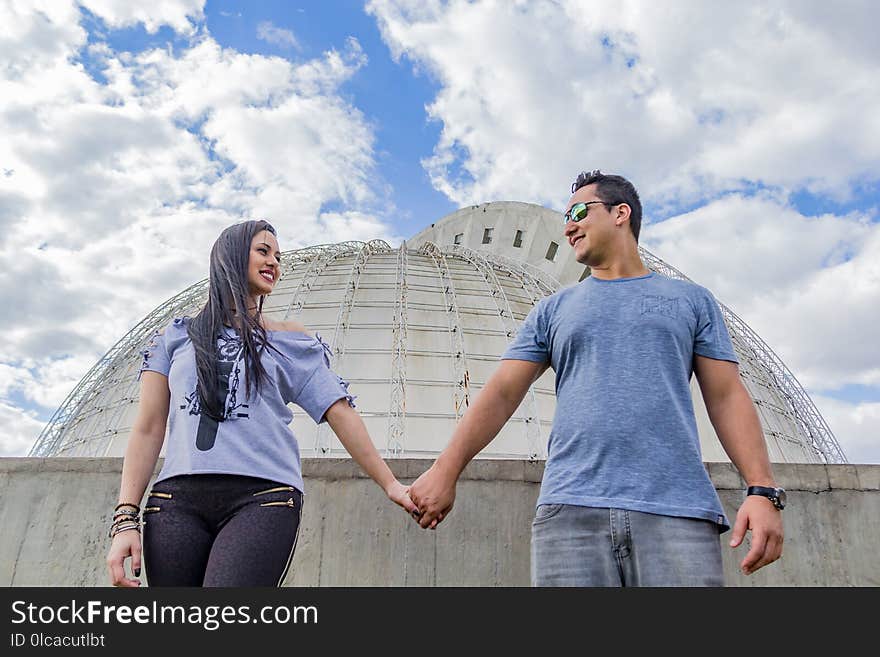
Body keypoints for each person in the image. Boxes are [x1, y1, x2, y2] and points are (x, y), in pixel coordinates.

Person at [407, 170, 785, 586]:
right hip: (569, 513)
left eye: (580, 212)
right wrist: (446, 470)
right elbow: (501, 392)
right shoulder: (551, 310)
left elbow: (726, 396)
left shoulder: (690, 301)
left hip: (677, 512)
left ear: (621, 213)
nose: (568, 226)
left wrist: (762, 490)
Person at [106, 219, 417, 587]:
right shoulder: (175, 336)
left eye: (278, 257)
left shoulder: (288, 339)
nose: (274, 263)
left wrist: (391, 484)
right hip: (176, 502)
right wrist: (125, 519)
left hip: (263, 498)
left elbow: (339, 410)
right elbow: (149, 427)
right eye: (263, 251)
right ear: (231, 256)